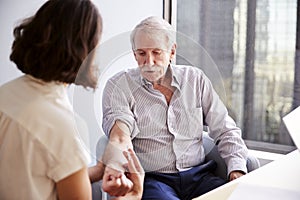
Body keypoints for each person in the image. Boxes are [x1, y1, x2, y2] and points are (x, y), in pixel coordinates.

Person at [0, 0, 143, 199]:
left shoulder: (6, 95)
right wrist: (133, 196)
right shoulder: (63, 125)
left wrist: (99, 170)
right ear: (86, 49)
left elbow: (30, 175)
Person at [101, 16, 249, 200]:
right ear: (134, 54)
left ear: (172, 51)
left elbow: (225, 129)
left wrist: (236, 169)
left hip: (199, 176)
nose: (149, 62)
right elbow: (120, 136)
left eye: (157, 52)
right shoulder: (119, 86)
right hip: (153, 180)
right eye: (141, 53)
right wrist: (115, 164)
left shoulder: (195, 80)